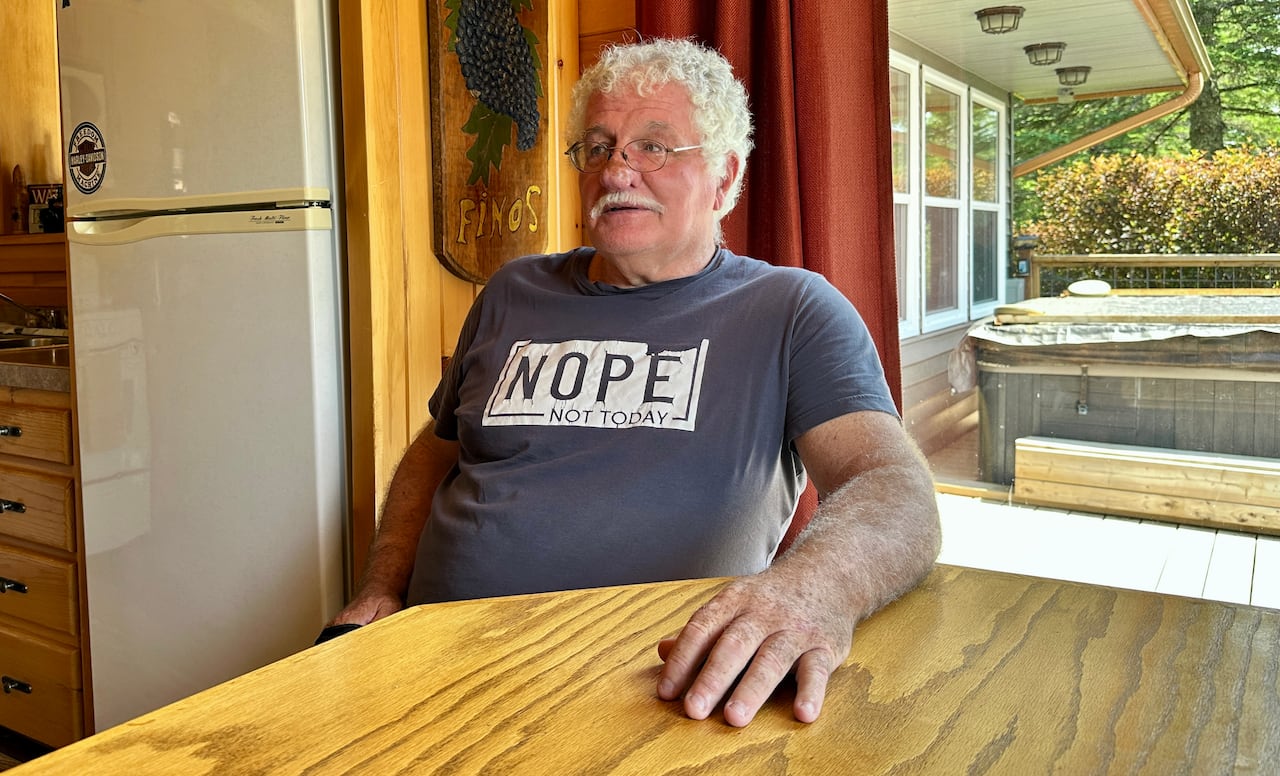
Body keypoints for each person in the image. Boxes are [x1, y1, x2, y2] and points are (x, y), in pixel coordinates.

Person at [329, 37, 941, 728]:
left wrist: (810, 590)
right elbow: (435, 453)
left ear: (722, 177)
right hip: (435, 667)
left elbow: (892, 484)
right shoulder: (512, 290)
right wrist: (380, 589)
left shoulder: (791, 310)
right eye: (597, 146)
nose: (617, 170)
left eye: (653, 147)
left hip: (649, 698)